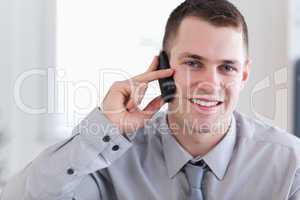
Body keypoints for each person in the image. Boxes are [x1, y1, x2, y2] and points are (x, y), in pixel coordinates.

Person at [2, 0, 300, 199]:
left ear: (244, 74)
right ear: (162, 66)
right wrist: (104, 128)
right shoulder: (110, 158)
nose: (210, 83)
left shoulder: (289, 163)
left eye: (227, 67)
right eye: (193, 63)